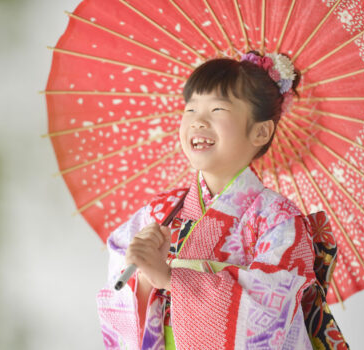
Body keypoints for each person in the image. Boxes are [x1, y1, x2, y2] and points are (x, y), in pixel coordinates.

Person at [96, 51, 317, 349]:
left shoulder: (278, 220)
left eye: (217, 109)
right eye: (190, 109)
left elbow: (268, 317)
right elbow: (120, 289)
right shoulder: (160, 212)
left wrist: (172, 279)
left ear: (261, 131)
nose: (198, 121)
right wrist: (144, 275)